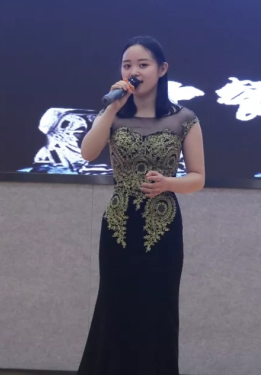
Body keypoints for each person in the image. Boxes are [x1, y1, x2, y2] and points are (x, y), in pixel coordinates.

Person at [77, 36, 205, 375]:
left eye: (142, 64)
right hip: (119, 225)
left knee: (157, 310)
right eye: (127, 65)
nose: (133, 71)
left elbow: (198, 178)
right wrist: (111, 109)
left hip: (162, 227)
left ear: (162, 70)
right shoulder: (113, 114)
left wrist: (168, 183)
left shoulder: (184, 119)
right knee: (114, 309)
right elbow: (87, 153)